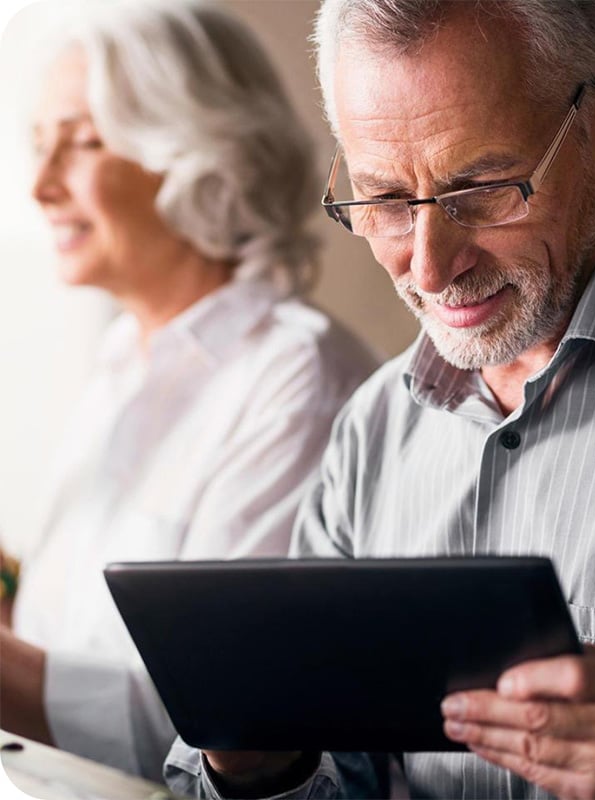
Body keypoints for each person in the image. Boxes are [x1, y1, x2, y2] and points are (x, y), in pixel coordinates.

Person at [163, 0, 595, 798]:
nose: (429, 268)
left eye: (483, 190)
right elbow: (344, 772)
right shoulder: (372, 431)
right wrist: (264, 768)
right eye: (385, 201)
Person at [0, 0, 377, 783]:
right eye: (39, 146)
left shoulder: (296, 382)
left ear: (201, 155)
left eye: (83, 142)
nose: (39, 186)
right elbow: (77, 648)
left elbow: (225, 729)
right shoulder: (121, 360)